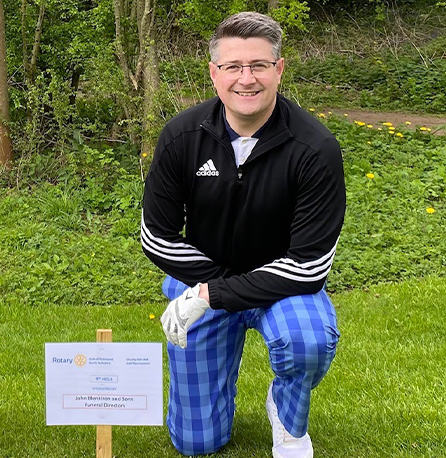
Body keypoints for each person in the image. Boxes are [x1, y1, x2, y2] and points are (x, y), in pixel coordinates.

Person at [141, 12, 345, 458]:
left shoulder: (316, 148)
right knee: (196, 444)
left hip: (282, 288)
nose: (245, 79)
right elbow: (156, 236)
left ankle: (289, 421)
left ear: (279, 69)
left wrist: (214, 294)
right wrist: (212, 287)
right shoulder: (181, 136)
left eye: (258, 65)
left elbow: (309, 266)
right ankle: (208, 411)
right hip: (204, 279)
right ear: (214, 73)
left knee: (306, 339)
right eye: (233, 66)